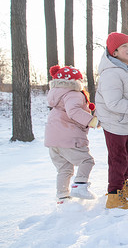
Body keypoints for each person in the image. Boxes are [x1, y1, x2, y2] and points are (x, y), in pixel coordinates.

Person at [95, 32, 128, 213]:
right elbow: (114, 103)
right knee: (119, 160)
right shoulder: (111, 73)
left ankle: (122, 187)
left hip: (126, 121)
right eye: (124, 46)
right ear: (114, 52)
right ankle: (114, 197)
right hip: (113, 120)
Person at [45, 65, 97, 204]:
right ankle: (79, 186)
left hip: (53, 140)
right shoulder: (73, 93)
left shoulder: (56, 94)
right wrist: (92, 121)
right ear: (77, 80)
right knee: (86, 161)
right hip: (68, 137)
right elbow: (73, 111)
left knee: (64, 168)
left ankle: (62, 196)